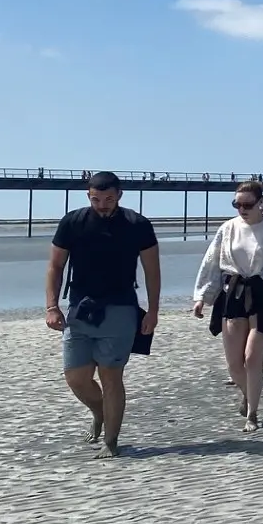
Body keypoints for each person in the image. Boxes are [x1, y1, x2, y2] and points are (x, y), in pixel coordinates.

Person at [45, 171, 161, 459]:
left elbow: (152, 271)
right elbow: (55, 267)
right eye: (96, 199)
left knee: (111, 377)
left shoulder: (137, 225)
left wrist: (154, 311)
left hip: (121, 308)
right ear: (88, 196)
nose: (102, 205)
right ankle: (100, 412)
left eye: (108, 199)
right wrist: (51, 306)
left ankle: (111, 441)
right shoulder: (73, 222)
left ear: (119, 195)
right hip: (80, 308)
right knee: (76, 377)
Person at [193, 182, 263, 431]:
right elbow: (211, 263)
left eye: (247, 204)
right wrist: (201, 297)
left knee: (252, 357)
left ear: (261, 203)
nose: (242, 209)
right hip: (233, 292)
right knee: (234, 364)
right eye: (237, 204)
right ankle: (247, 393)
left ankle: (252, 414)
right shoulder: (228, 228)